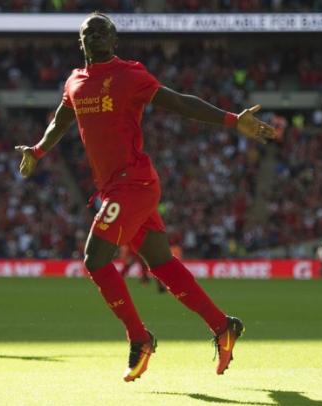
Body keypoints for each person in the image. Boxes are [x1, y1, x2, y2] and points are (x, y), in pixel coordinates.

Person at [15, 12, 276, 382]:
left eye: (103, 30)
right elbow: (61, 119)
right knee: (162, 264)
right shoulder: (75, 82)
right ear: (81, 41)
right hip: (113, 188)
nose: (96, 34)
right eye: (89, 30)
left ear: (115, 40)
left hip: (133, 183)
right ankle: (223, 325)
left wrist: (233, 120)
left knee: (95, 259)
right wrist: (38, 151)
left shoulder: (130, 75)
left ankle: (140, 338)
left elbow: (180, 103)